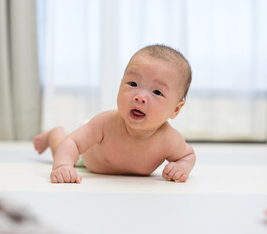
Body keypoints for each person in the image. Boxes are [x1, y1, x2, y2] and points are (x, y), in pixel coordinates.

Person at [34, 44, 196, 184]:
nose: (140, 97)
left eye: (157, 92)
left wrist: (180, 167)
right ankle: (55, 134)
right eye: (133, 83)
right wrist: (63, 166)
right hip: (86, 153)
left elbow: (188, 155)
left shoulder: (169, 139)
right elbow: (74, 144)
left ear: (176, 109)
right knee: (62, 148)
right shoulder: (105, 123)